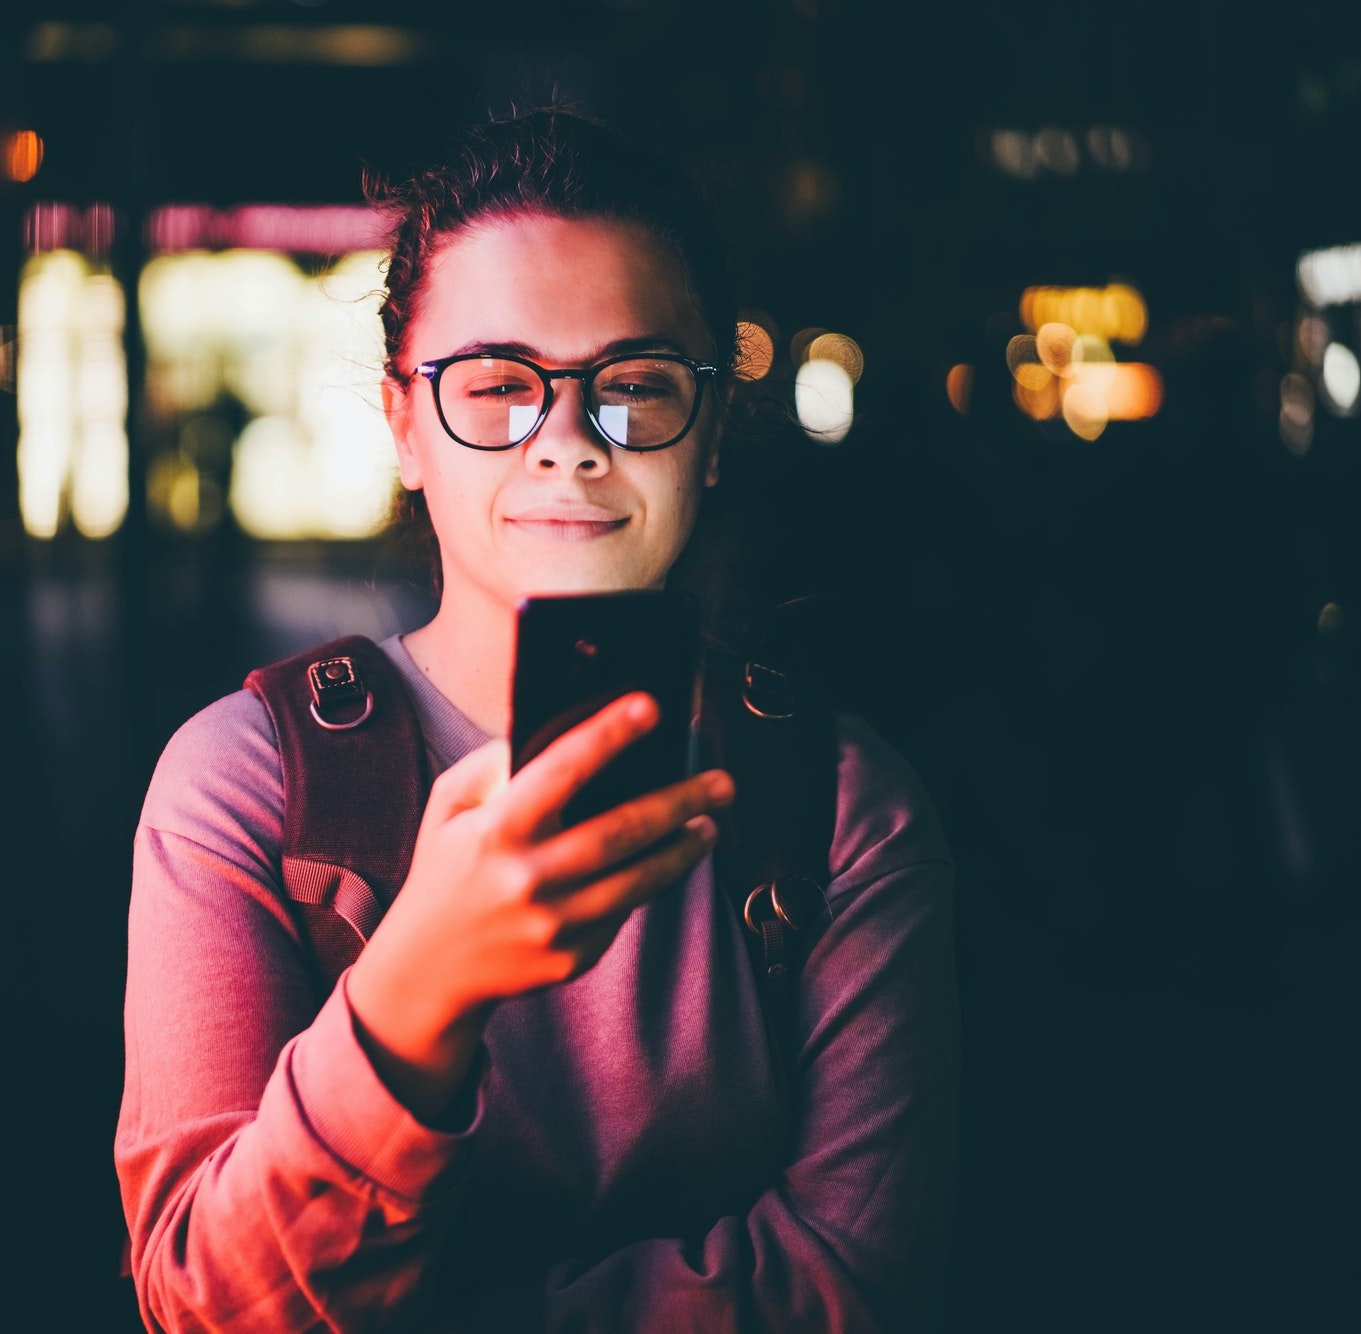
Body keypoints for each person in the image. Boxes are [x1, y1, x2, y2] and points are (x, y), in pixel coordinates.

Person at [115, 107, 959, 1331]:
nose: (566, 441)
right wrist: (418, 985)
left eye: (634, 388)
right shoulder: (242, 786)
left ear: (709, 433)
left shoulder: (841, 810)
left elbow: (853, 1288)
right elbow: (204, 1301)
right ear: (405, 424)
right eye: (498, 387)